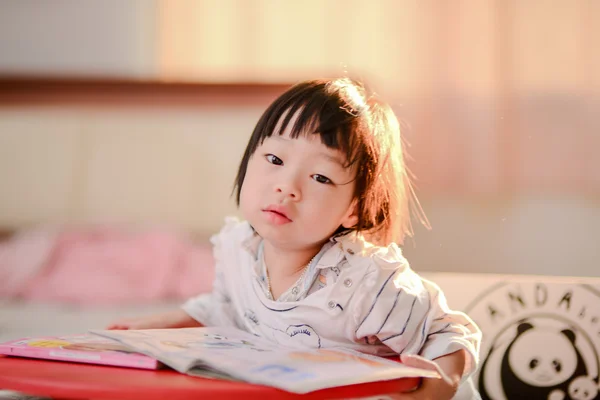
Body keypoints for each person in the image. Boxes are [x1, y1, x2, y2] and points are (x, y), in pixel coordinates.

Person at [108, 78, 481, 399]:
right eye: (274, 159)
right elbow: (224, 310)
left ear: (353, 209)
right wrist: (154, 327)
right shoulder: (238, 251)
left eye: (320, 177)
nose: (287, 186)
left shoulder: (366, 286)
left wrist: (440, 385)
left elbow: (448, 332)